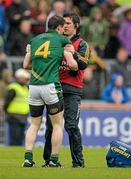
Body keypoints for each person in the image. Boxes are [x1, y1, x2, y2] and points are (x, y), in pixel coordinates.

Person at [22, 15, 77, 168]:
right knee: (57, 124)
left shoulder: (34, 40)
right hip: (51, 86)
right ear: (59, 28)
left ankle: (28, 158)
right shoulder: (62, 40)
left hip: (33, 86)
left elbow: (25, 64)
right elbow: (73, 65)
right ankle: (53, 160)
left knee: (34, 124)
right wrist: (70, 56)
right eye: (62, 28)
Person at [43, 12, 90, 168]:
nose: (65, 26)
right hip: (54, 88)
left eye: (68, 23)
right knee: (50, 126)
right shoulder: (55, 41)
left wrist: (72, 53)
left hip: (72, 90)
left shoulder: (82, 44)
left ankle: (78, 163)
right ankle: (48, 160)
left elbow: (83, 64)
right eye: (63, 24)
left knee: (71, 126)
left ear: (76, 25)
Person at [3, 68, 30, 145]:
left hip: (23, 116)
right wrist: (7, 112)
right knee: (15, 137)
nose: (26, 79)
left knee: (20, 137)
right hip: (14, 116)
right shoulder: (13, 87)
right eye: (25, 78)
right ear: (19, 77)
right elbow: (7, 101)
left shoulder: (25, 88)